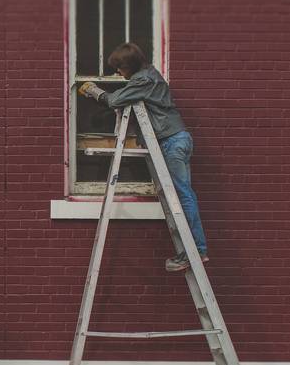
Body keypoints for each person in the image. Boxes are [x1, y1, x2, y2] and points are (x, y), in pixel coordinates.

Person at [79, 42, 209, 271]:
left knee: (182, 196)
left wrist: (93, 90)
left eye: (119, 68)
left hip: (171, 142)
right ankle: (193, 251)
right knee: (182, 195)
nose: (117, 73)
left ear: (128, 65)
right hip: (175, 140)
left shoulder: (143, 80)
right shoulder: (148, 76)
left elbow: (114, 100)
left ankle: (195, 251)